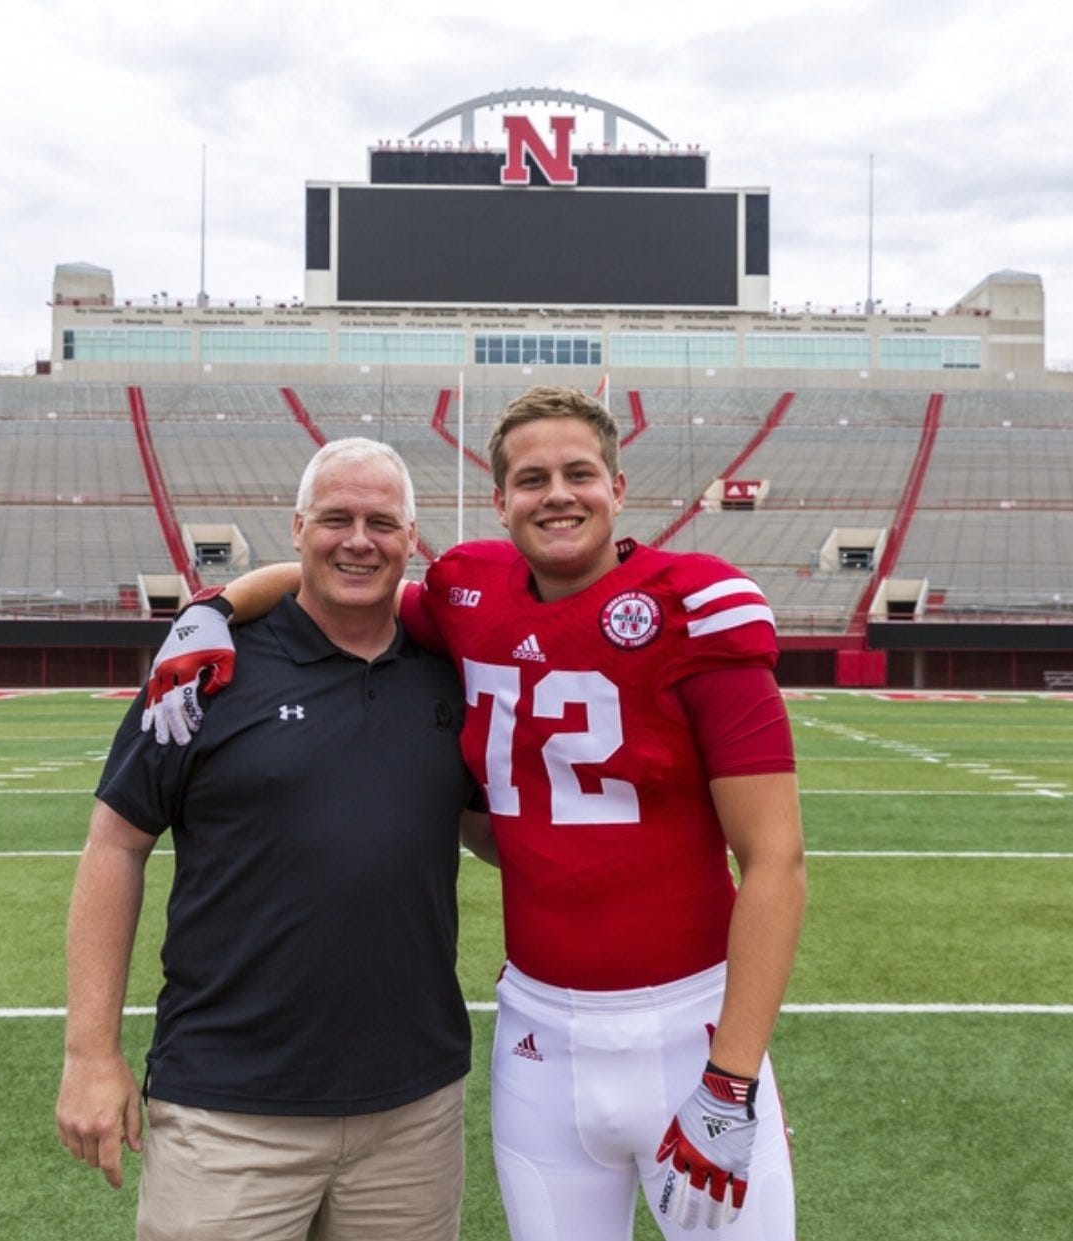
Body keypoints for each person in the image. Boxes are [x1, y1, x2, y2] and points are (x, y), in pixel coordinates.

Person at [145, 387, 807, 1240]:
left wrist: (732, 1078)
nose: (557, 494)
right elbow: (343, 586)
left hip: (689, 1025)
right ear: (500, 501)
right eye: (532, 478)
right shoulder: (468, 595)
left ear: (618, 485)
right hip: (539, 1033)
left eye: (579, 472)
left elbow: (775, 862)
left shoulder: (696, 604)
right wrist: (214, 607)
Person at [56, 438, 483, 1241]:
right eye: (336, 518)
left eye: (382, 522)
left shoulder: (448, 667)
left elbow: (499, 829)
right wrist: (89, 1052)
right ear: (296, 527)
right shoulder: (205, 667)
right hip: (228, 1105)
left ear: (411, 537)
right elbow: (115, 844)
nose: (359, 539)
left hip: (412, 1107)